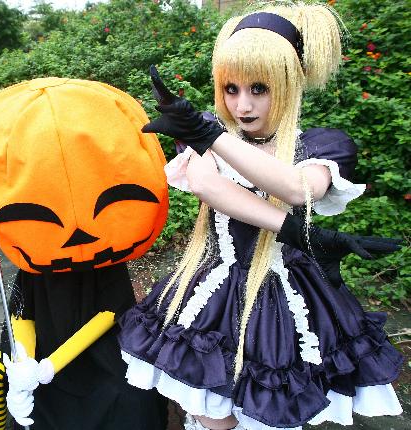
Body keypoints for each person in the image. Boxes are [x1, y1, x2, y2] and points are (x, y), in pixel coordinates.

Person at [118, 3, 403, 430]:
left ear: (289, 85)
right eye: (231, 89)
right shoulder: (209, 138)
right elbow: (210, 188)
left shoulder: (323, 144)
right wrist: (210, 136)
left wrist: (211, 135)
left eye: (259, 88)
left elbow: (296, 188)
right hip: (213, 286)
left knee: (271, 411)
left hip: (285, 296)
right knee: (208, 410)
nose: (242, 105)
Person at [0, 77, 170, 429]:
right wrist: (24, 361)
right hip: (44, 358)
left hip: (105, 356)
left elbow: (109, 314)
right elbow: (23, 311)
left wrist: (50, 365)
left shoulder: (104, 262)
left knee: (132, 400)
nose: (76, 233)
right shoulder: (36, 260)